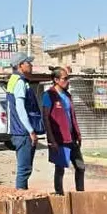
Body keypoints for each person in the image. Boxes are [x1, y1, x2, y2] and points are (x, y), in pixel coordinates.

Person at [42, 67, 85, 195]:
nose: (67, 81)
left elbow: (72, 116)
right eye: (65, 78)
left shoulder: (67, 96)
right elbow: (46, 118)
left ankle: (80, 194)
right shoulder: (49, 95)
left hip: (71, 138)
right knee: (60, 168)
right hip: (59, 139)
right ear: (56, 80)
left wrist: (78, 134)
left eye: (68, 78)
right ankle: (59, 193)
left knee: (80, 167)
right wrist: (51, 140)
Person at [7, 53, 43, 189]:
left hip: (18, 131)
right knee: (24, 170)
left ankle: (22, 194)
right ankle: (21, 196)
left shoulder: (14, 80)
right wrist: (31, 131)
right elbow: (20, 108)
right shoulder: (20, 82)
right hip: (23, 132)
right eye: (28, 63)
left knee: (24, 169)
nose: (31, 65)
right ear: (20, 65)